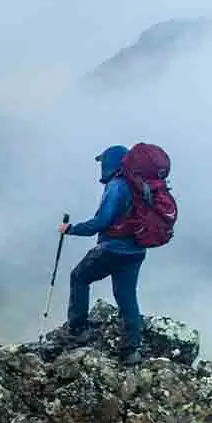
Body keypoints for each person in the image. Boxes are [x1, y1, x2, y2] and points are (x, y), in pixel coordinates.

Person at [60, 144, 147, 363]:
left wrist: (71, 229)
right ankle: (131, 350)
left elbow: (101, 222)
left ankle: (78, 330)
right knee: (126, 295)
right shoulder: (140, 186)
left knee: (79, 277)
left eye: (103, 161)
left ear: (112, 163)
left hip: (113, 249)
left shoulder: (117, 186)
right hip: (136, 251)